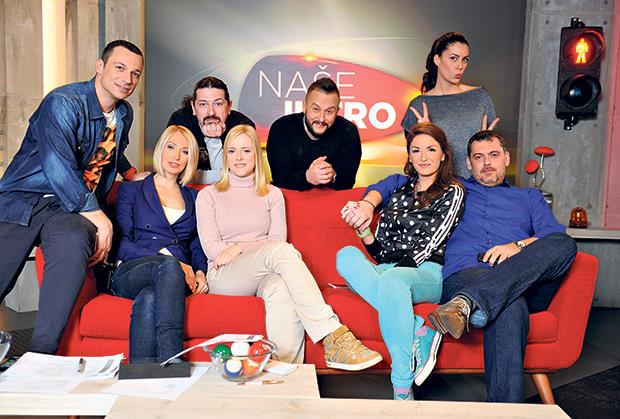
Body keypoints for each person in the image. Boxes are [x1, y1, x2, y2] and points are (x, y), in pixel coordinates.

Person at [369, 130, 577, 403]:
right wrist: (367, 202)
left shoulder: (530, 197)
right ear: (468, 163)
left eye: (494, 155)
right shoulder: (452, 190)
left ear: (507, 158)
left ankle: (469, 302)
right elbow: (397, 182)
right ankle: (506, 412)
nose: (487, 163)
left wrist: (516, 246)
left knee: (564, 243)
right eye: (478, 157)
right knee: (510, 304)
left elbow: (551, 237)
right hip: (466, 275)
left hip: (523, 276)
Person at [196, 124, 381, 370]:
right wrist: (238, 250)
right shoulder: (208, 195)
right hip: (224, 275)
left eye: (246, 151)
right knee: (282, 252)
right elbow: (213, 248)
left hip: (263, 272)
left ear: (256, 155)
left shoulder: (272, 194)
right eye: (232, 151)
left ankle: (286, 374)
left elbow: (277, 239)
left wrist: (237, 247)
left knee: (280, 285)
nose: (239, 157)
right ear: (225, 156)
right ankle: (333, 335)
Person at [0, 40, 144, 354]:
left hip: (69, 210)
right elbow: (57, 164)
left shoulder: (124, 113)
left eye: (135, 73)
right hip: (26, 197)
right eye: (120, 68)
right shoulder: (63, 102)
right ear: (100, 66)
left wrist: (131, 173)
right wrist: (98, 217)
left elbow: (110, 149)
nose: (128, 79)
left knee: (75, 242)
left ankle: (41, 355)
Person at [337, 123, 465, 400]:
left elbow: (434, 240)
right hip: (389, 270)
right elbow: (381, 253)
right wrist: (365, 233)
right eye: (416, 150)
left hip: (426, 271)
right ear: (409, 155)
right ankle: (418, 326)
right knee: (345, 256)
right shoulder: (399, 190)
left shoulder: (452, 191)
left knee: (393, 280)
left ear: (444, 154)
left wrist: (390, 272)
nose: (423, 157)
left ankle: (402, 385)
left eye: (431, 150)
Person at [110, 125, 208, 361]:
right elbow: (121, 243)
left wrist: (200, 272)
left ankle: (140, 372)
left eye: (185, 152)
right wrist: (170, 260)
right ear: (160, 149)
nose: (176, 156)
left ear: (191, 158)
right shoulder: (131, 191)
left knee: (149, 298)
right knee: (168, 265)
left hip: (177, 278)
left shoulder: (195, 198)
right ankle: (173, 360)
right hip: (132, 270)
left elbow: (197, 245)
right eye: (171, 147)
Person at [401, 32, 499, 176]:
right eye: (453, 58)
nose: (460, 66)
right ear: (437, 59)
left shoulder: (480, 98)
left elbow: (495, 152)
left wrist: (488, 143)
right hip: (437, 186)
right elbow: (415, 159)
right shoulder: (419, 106)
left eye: (465, 60)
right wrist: (426, 134)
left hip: (476, 184)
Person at [267, 77, 361, 190]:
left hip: (330, 198)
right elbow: (280, 178)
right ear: (304, 107)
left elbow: (348, 182)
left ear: (337, 111)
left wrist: (332, 176)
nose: (322, 119)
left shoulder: (348, 132)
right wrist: (307, 177)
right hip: (289, 196)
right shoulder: (282, 128)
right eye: (316, 109)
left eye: (329, 111)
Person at [167, 76, 255, 184]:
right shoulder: (181, 121)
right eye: (203, 104)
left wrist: (213, 141)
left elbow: (242, 177)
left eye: (218, 104)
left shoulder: (242, 126)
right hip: (187, 191)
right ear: (193, 107)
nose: (211, 112)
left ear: (229, 107)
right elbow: (173, 173)